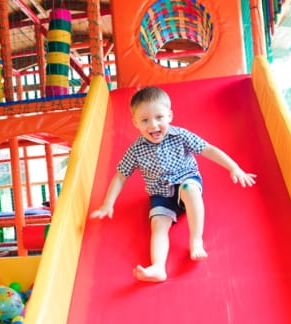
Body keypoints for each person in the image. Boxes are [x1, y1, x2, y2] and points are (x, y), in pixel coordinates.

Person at [90, 86, 257, 283]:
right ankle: (159, 267)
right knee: (158, 225)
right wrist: (108, 203)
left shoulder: (181, 136)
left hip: (186, 180)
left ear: (169, 115)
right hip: (160, 194)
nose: (153, 125)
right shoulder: (135, 149)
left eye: (159, 117)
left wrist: (234, 167)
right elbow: (121, 175)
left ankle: (196, 240)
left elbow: (208, 149)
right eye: (145, 120)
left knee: (189, 190)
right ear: (135, 123)